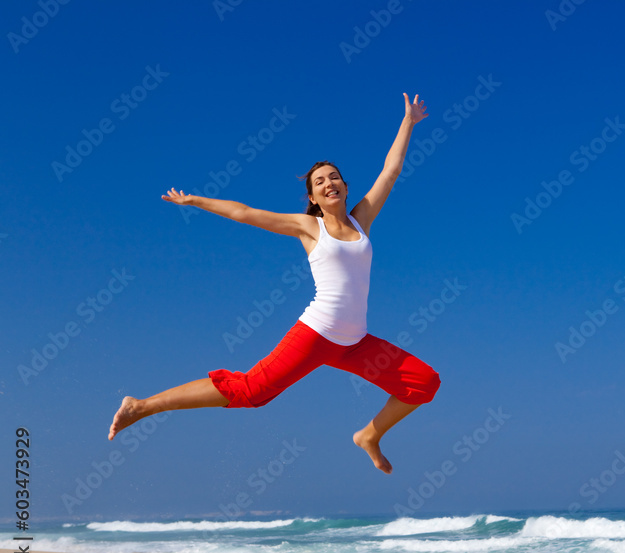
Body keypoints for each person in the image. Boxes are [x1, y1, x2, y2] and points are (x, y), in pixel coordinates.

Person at [108, 93, 440, 474]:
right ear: (313, 197)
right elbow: (247, 213)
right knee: (251, 391)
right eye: (319, 181)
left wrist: (408, 122)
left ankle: (368, 435)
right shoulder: (309, 227)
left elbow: (390, 171)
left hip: (355, 343)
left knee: (424, 382)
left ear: (346, 187)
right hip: (316, 333)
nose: (329, 183)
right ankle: (141, 406)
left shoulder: (361, 220)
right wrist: (197, 201)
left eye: (334, 177)